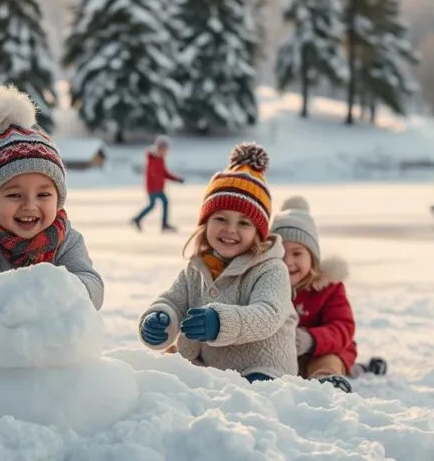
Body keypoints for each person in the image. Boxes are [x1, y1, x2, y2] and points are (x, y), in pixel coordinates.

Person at [0, 85, 105, 357]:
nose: (30, 205)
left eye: (44, 194)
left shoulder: (65, 238)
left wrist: (61, 287)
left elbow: (94, 288)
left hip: (44, 360)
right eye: (14, 194)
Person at [137, 143, 298, 383]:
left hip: (263, 367)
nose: (230, 230)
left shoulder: (272, 268)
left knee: (253, 395)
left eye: (244, 223)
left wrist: (220, 322)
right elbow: (174, 300)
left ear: (259, 233)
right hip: (212, 367)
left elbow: (268, 315)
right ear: (205, 223)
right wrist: (162, 318)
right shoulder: (196, 268)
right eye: (220, 218)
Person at [271, 195, 386, 394]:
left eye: (297, 254)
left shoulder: (329, 288)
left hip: (323, 349)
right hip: (280, 354)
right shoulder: (266, 285)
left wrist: (310, 339)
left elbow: (343, 327)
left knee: (327, 361)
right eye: (280, 254)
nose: (288, 261)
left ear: (313, 257)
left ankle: (327, 383)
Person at [132, 135, 184, 233]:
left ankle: (162, 224)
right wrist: (158, 180)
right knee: (153, 205)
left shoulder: (160, 159)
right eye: (164, 150)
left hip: (158, 188)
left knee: (162, 203)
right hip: (152, 188)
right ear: (159, 148)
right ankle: (138, 219)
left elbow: (165, 173)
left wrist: (177, 179)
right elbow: (154, 174)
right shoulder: (152, 159)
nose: (166, 152)